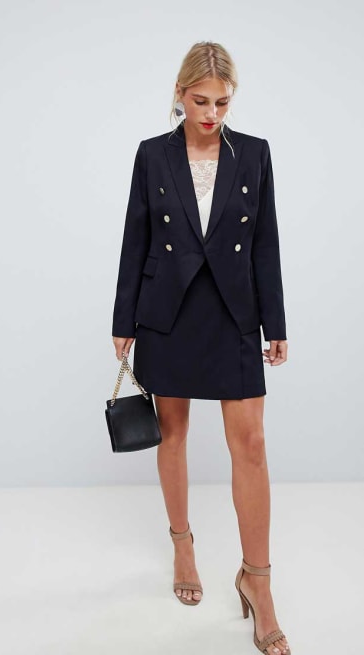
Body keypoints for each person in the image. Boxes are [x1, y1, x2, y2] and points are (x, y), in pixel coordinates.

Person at [111, 41, 290, 655]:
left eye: (222, 102)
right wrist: (123, 319)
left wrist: (275, 323)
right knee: (174, 434)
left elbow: (264, 241)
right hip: (168, 312)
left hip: (235, 313)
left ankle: (257, 581)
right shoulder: (152, 154)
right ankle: (182, 544)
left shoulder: (255, 153)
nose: (211, 113)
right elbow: (135, 238)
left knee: (252, 445)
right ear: (179, 95)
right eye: (200, 101)